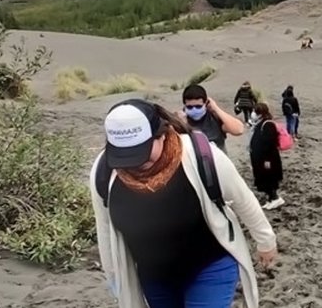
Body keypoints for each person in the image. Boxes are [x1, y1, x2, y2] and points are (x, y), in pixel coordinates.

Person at [89, 98, 278, 308]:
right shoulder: (103, 172)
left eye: (141, 153)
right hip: (154, 278)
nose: (136, 163)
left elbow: (244, 200)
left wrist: (266, 242)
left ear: (162, 133)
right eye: (125, 156)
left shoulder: (202, 156)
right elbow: (105, 227)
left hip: (209, 268)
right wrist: (114, 276)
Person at [181, 83, 245, 153]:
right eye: (189, 107)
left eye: (198, 106)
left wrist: (216, 108)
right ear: (185, 105)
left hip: (218, 162)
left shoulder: (214, 117)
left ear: (205, 103)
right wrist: (182, 125)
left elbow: (239, 130)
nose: (194, 109)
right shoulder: (180, 120)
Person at [249, 102, 285, 210]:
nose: (253, 113)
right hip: (260, 158)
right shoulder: (260, 123)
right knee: (263, 179)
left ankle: (275, 198)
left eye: (255, 111)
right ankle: (270, 199)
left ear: (260, 113)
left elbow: (270, 144)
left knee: (269, 179)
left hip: (268, 159)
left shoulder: (268, 124)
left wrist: (267, 160)